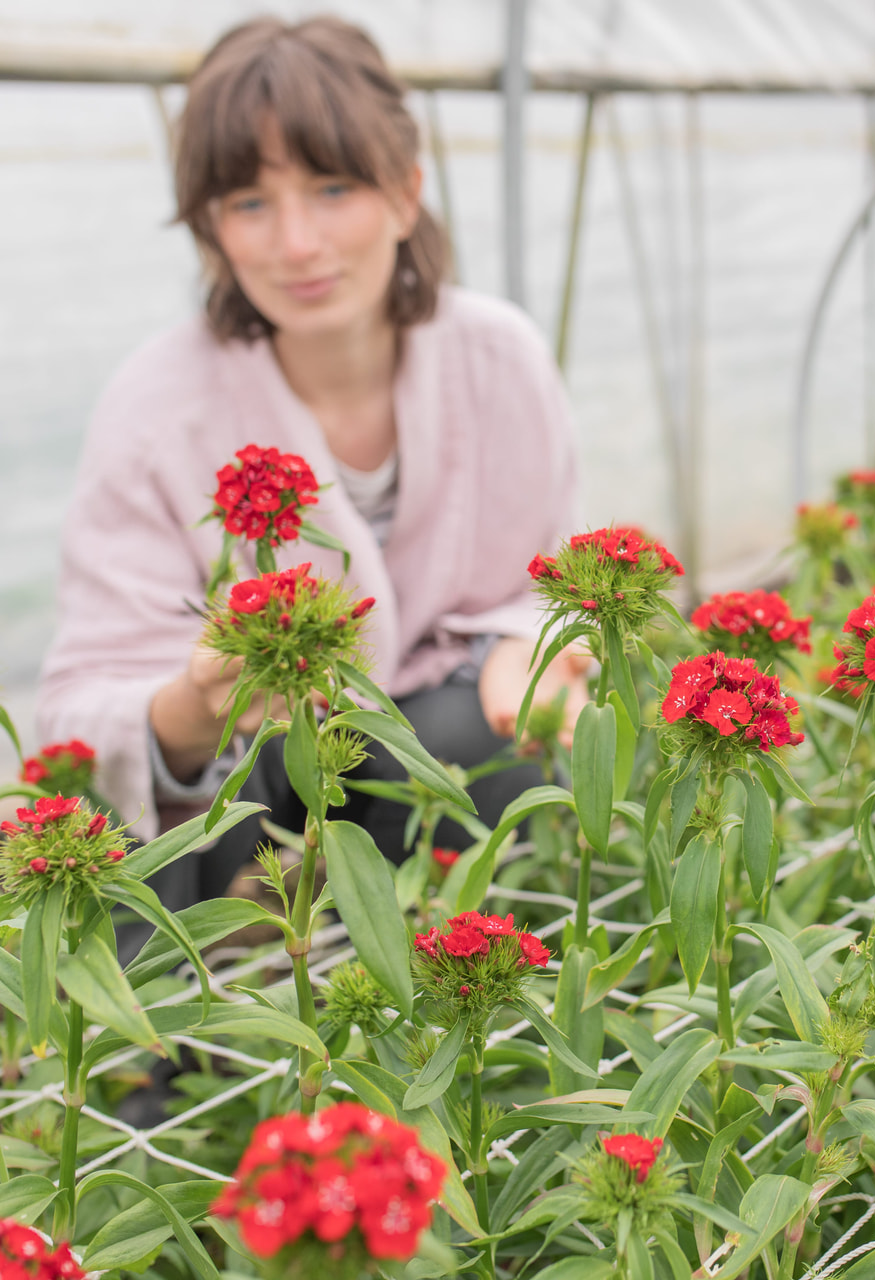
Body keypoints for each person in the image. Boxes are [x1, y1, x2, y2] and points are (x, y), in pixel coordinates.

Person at [36, 16, 588, 917]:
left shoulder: (499, 360)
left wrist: (527, 648)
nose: (297, 243)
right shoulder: (157, 408)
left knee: (475, 744)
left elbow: (545, 576)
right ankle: (183, 1044)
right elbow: (79, 703)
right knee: (225, 803)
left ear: (407, 193)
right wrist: (193, 704)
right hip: (249, 791)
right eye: (250, 203)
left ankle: (471, 987)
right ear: (211, 229)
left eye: (333, 188)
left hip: (428, 753)